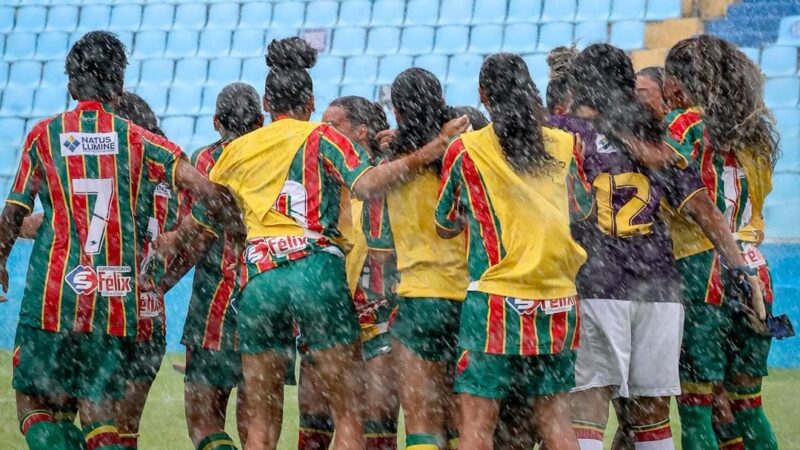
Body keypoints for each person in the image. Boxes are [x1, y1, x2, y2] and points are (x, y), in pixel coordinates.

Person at [196, 37, 467, 450]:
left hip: (261, 274)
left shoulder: (236, 149)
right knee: (348, 417)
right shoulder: (323, 137)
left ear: (268, 102)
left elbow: (211, 204)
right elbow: (369, 185)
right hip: (315, 270)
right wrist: (430, 150)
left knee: (262, 424)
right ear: (309, 100)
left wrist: (243, 226)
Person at [0, 31, 233, 450]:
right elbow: (206, 191)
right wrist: (217, 206)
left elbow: (15, 213)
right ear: (119, 86)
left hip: (53, 299)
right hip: (115, 304)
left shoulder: (44, 136)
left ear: (71, 84)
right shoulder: (139, 140)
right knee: (101, 417)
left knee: (34, 406)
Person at [436, 52, 586, 450]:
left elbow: (445, 222)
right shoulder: (566, 145)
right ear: (530, 89)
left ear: (483, 95)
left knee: (476, 427)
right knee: (555, 423)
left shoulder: (465, 150)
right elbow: (582, 208)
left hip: (496, 305)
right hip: (557, 302)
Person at [662, 35, 781, 450]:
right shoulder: (754, 132)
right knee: (747, 404)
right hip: (754, 269)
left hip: (702, 270)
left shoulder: (681, 127)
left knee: (696, 406)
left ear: (675, 85)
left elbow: (673, 193)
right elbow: (758, 202)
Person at [155, 83, 265, 450]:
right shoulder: (278, 154)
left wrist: (161, 283)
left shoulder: (204, 161)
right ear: (261, 119)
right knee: (260, 428)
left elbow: (192, 240)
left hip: (215, 303)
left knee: (203, 422)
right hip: (268, 297)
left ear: (216, 121)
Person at [297, 96, 400, 450]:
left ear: (361, 132)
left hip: (376, 311)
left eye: (332, 125)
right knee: (313, 417)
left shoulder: (386, 171)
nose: (322, 132)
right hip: (326, 309)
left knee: (376, 418)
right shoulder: (318, 176)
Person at [378, 68, 470, 450]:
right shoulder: (465, 152)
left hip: (420, 297)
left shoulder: (395, 161)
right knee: (467, 421)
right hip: (471, 297)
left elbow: (366, 184)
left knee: (421, 421)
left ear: (397, 111)